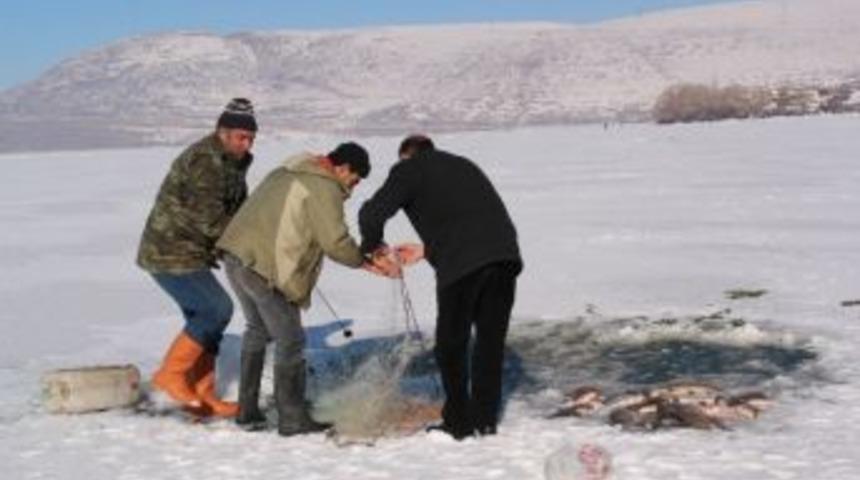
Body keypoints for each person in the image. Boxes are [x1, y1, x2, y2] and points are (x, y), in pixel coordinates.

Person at [216, 142, 398, 436]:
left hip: (237, 256)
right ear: (342, 168)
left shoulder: (290, 170)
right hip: (262, 267)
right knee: (291, 340)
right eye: (355, 179)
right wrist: (365, 262)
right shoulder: (324, 187)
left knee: (257, 329)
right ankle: (292, 418)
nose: (353, 187)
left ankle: (247, 410)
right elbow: (335, 242)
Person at [358, 135, 522, 439]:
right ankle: (485, 421)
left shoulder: (408, 169)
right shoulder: (463, 164)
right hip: (504, 256)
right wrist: (428, 249)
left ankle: (458, 422)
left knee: (451, 344)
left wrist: (373, 247)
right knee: (489, 343)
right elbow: (466, 219)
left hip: (462, 265)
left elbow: (371, 214)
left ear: (406, 156)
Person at [137, 98, 258, 417]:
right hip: (169, 251)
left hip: (192, 251)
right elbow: (211, 221)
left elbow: (236, 212)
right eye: (239, 137)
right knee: (216, 308)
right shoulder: (206, 162)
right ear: (222, 132)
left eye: (250, 138)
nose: (245, 144)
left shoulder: (232, 162)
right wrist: (247, 246)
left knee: (208, 320)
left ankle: (204, 397)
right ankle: (170, 376)